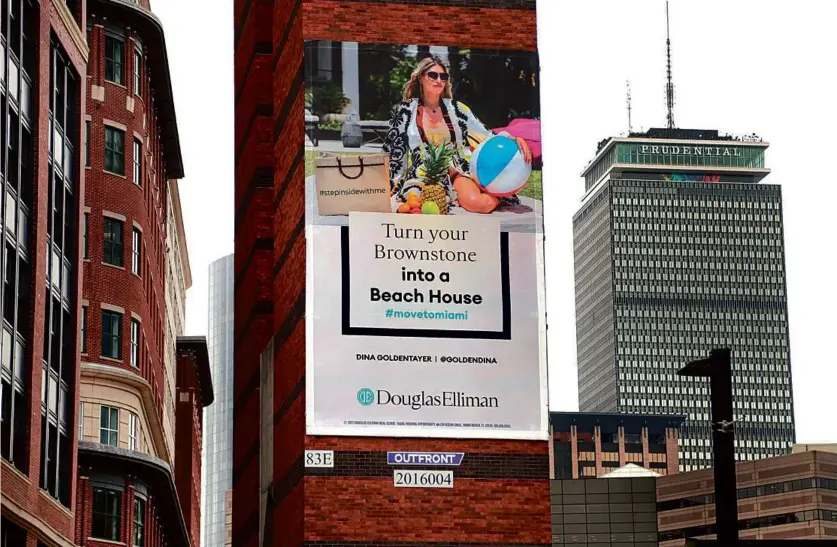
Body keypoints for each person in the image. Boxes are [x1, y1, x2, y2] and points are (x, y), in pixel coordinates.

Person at [383, 56, 532, 214]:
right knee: (417, 205)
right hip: (422, 175)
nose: (439, 80)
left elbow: (486, 136)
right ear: (421, 78)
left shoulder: (458, 110)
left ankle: (498, 195)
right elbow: (395, 151)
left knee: (479, 205)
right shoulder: (405, 110)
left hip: (457, 171)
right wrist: (389, 184)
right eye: (433, 75)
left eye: (443, 76)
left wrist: (513, 140)